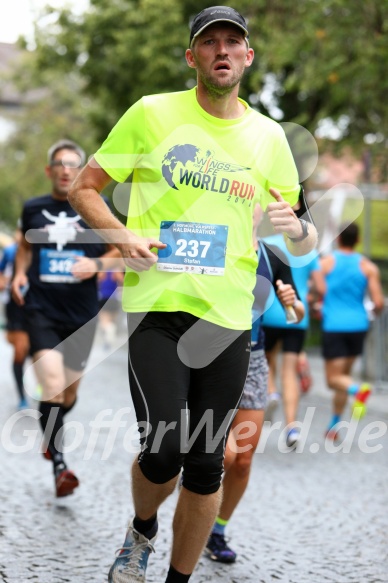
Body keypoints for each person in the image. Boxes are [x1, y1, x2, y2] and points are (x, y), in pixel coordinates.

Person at [68, 6, 318, 582]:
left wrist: (295, 226)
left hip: (228, 319)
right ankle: (142, 529)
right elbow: (86, 188)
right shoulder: (152, 114)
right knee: (164, 449)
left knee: (207, 463)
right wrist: (122, 234)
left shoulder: (269, 137)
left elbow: (302, 238)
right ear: (193, 56)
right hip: (157, 308)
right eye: (210, 44)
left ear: (248, 57)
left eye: (233, 43)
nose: (222, 51)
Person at [11, 139, 119, 498]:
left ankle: (49, 430)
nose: (66, 169)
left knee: (69, 393)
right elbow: (26, 246)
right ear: (50, 170)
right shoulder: (33, 209)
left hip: (82, 315)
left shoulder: (95, 207)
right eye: (60, 163)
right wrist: (19, 274)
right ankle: (60, 464)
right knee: (53, 381)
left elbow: (120, 250)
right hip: (41, 310)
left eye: (74, 163)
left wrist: (97, 265)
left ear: (80, 169)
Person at [205, 203, 305, 563]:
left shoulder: (271, 254)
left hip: (255, 359)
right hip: (211, 359)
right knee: (223, 455)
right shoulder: (212, 245)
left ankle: (216, 531)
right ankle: (192, 507)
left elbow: (296, 314)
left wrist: (292, 304)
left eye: (254, 204)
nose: (248, 209)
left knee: (243, 460)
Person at [261, 191, 325, 448]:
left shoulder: (267, 243)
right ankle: (291, 428)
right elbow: (321, 287)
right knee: (290, 372)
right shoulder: (309, 250)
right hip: (298, 317)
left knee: (267, 365)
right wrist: (309, 296)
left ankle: (270, 393)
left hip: (269, 315)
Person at [320, 222, 384, 440]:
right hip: (358, 326)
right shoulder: (368, 267)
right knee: (343, 378)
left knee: (333, 380)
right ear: (357, 241)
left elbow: (316, 290)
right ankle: (334, 426)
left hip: (334, 326)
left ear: (338, 239)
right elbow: (378, 301)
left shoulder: (327, 263)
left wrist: (316, 305)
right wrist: (371, 313)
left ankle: (359, 391)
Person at [0, 229, 30, 410]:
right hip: (17, 305)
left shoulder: (45, 248)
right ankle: (22, 395)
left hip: (44, 306)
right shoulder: (11, 251)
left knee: (40, 351)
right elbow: (2, 272)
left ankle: (46, 381)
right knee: (20, 351)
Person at [97, 269, 124, 350]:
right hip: (114, 299)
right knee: (112, 321)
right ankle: (110, 333)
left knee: (104, 322)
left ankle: (108, 333)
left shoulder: (102, 271)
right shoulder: (116, 271)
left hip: (104, 298)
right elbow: (123, 281)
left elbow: (97, 282)